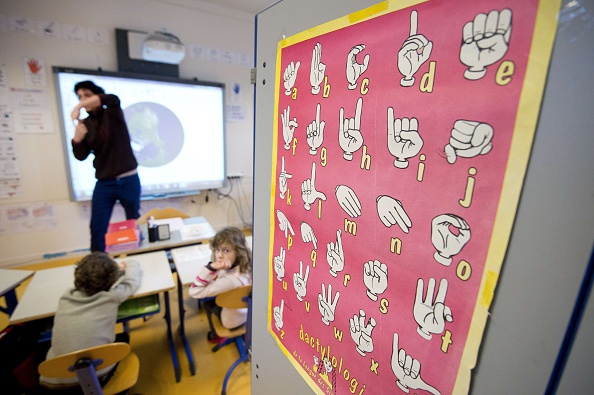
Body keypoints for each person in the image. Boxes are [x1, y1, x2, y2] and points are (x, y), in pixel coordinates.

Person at [40, 252, 142, 389]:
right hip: (97, 378)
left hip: (54, 382)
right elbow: (132, 281)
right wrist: (130, 263)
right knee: (124, 338)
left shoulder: (65, 297)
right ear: (113, 281)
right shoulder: (111, 297)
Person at [71, 81, 141, 252]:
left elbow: (111, 98)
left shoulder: (113, 112)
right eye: (79, 97)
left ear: (96, 95)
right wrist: (77, 140)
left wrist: (79, 106)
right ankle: (98, 266)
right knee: (97, 226)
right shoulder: (86, 124)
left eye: (87, 95)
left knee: (134, 222)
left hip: (128, 178)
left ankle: (141, 254)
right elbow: (81, 156)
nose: (83, 100)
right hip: (104, 182)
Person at [188, 227, 252, 344]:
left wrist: (210, 268)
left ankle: (216, 336)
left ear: (238, 251)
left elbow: (194, 292)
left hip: (233, 321)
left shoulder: (231, 280)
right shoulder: (248, 261)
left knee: (206, 303)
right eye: (217, 250)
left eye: (226, 250)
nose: (219, 256)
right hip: (249, 312)